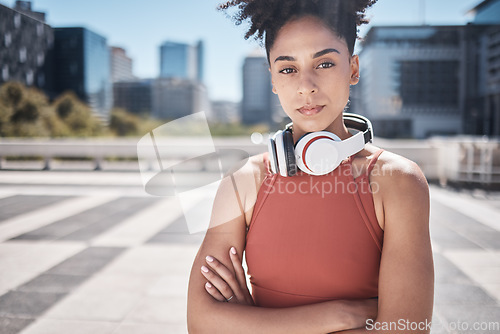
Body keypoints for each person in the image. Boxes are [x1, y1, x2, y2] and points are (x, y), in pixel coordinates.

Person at [187, 0, 434, 333]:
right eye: (288, 68)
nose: (306, 86)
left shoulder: (398, 181)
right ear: (272, 78)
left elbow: (407, 329)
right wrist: (343, 315)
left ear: (354, 69)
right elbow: (202, 324)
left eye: (325, 63)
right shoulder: (244, 181)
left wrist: (254, 325)